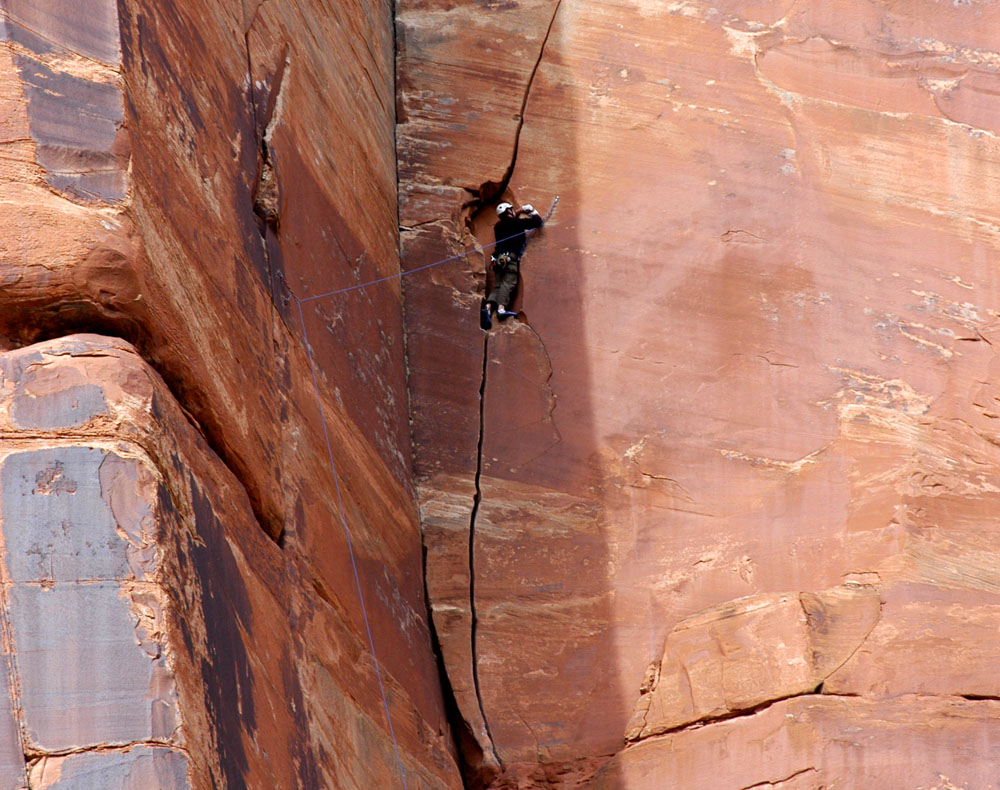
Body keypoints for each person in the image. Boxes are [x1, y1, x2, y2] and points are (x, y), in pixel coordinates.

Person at [481, 202, 543, 330]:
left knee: (497, 285)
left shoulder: (498, 226)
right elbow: (537, 222)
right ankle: (501, 308)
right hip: (510, 258)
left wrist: (518, 211)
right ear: (509, 212)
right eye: (512, 210)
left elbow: (510, 219)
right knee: (508, 282)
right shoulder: (516, 223)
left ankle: (487, 309)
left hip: (496, 259)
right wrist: (531, 210)